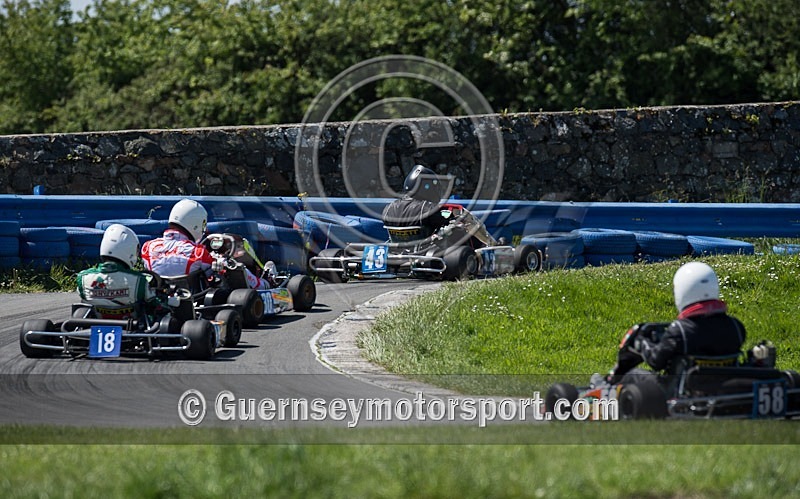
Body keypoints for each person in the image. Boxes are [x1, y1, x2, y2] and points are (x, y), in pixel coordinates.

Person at [601, 261, 747, 385]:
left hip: (683, 389)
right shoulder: (735, 326)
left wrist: (642, 343)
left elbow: (656, 362)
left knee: (633, 375)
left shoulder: (680, 331)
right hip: (725, 385)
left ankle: (607, 387)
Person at [141, 199, 271, 290]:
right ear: (196, 224)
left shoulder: (147, 247)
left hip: (161, 296)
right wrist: (223, 260)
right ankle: (264, 284)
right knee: (232, 266)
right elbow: (215, 274)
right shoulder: (198, 252)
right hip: (192, 297)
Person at [382, 165, 491, 247]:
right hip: (425, 250)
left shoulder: (388, 208)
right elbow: (447, 216)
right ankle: (488, 245)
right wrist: (457, 215)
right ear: (427, 187)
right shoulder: (427, 208)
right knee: (461, 226)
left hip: (397, 249)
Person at [77, 224, 162, 319]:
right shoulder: (139, 280)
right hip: (132, 326)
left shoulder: (84, 278)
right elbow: (154, 304)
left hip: (95, 323)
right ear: (130, 250)